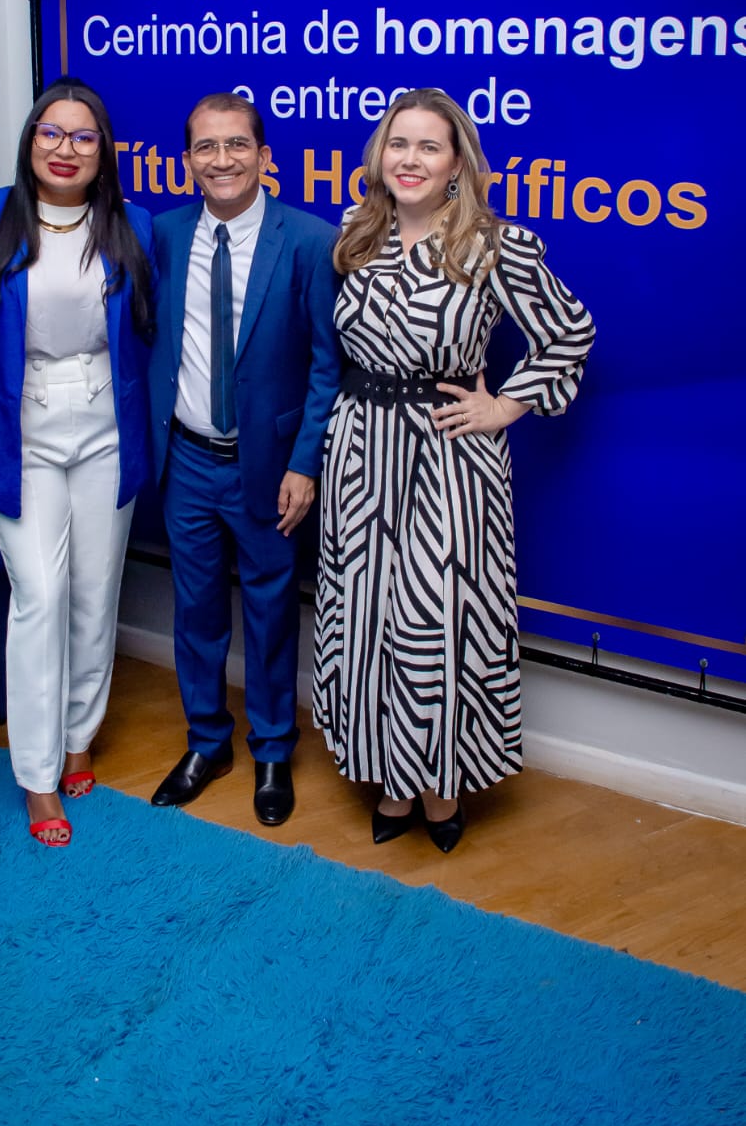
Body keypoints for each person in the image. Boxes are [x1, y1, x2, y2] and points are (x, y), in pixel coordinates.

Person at [313, 88, 595, 852]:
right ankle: (391, 780)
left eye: (429, 147)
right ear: (380, 155)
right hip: (362, 451)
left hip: (448, 459)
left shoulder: (495, 244)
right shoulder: (355, 233)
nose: (410, 159)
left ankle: (442, 787)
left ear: (457, 163)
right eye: (398, 143)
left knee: (440, 623)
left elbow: (569, 332)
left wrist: (502, 406)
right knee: (368, 617)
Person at [0, 80, 155, 848]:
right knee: (39, 594)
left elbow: (151, 330)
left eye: (83, 136)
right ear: (30, 140)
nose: (66, 148)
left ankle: (77, 739)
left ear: (104, 152)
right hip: (20, 432)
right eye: (51, 133)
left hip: (106, 428)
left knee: (96, 594)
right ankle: (36, 775)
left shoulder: (133, 225)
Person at [148, 93, 340, 825]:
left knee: (269, 611)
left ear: (264, 157)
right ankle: (207, 742)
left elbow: (328, 364)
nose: (221, 159)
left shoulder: (310, 241)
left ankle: (271, 751)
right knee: (195, 610)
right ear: (187, 160)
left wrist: (305, 463)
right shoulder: (164, 235)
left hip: (271, 466)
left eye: (236, 145)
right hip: (187, 461)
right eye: (206, 146)